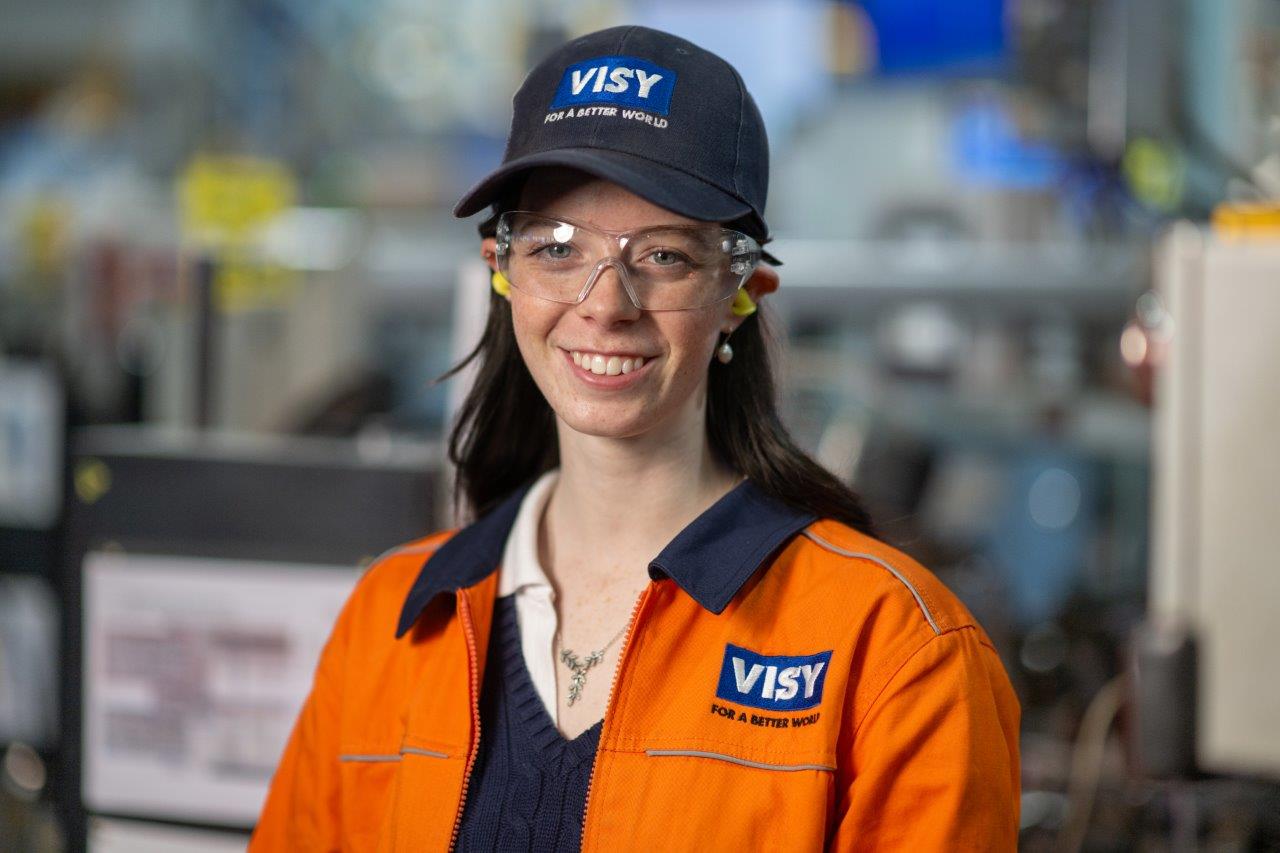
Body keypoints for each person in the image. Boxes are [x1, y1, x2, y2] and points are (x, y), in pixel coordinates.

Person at [250, 25, 1020, 852]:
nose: (605, 303)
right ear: (501, 273)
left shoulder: (896, 650)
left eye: (662, 255)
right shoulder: (395, 620)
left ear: (743, 290)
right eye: (555, 248)